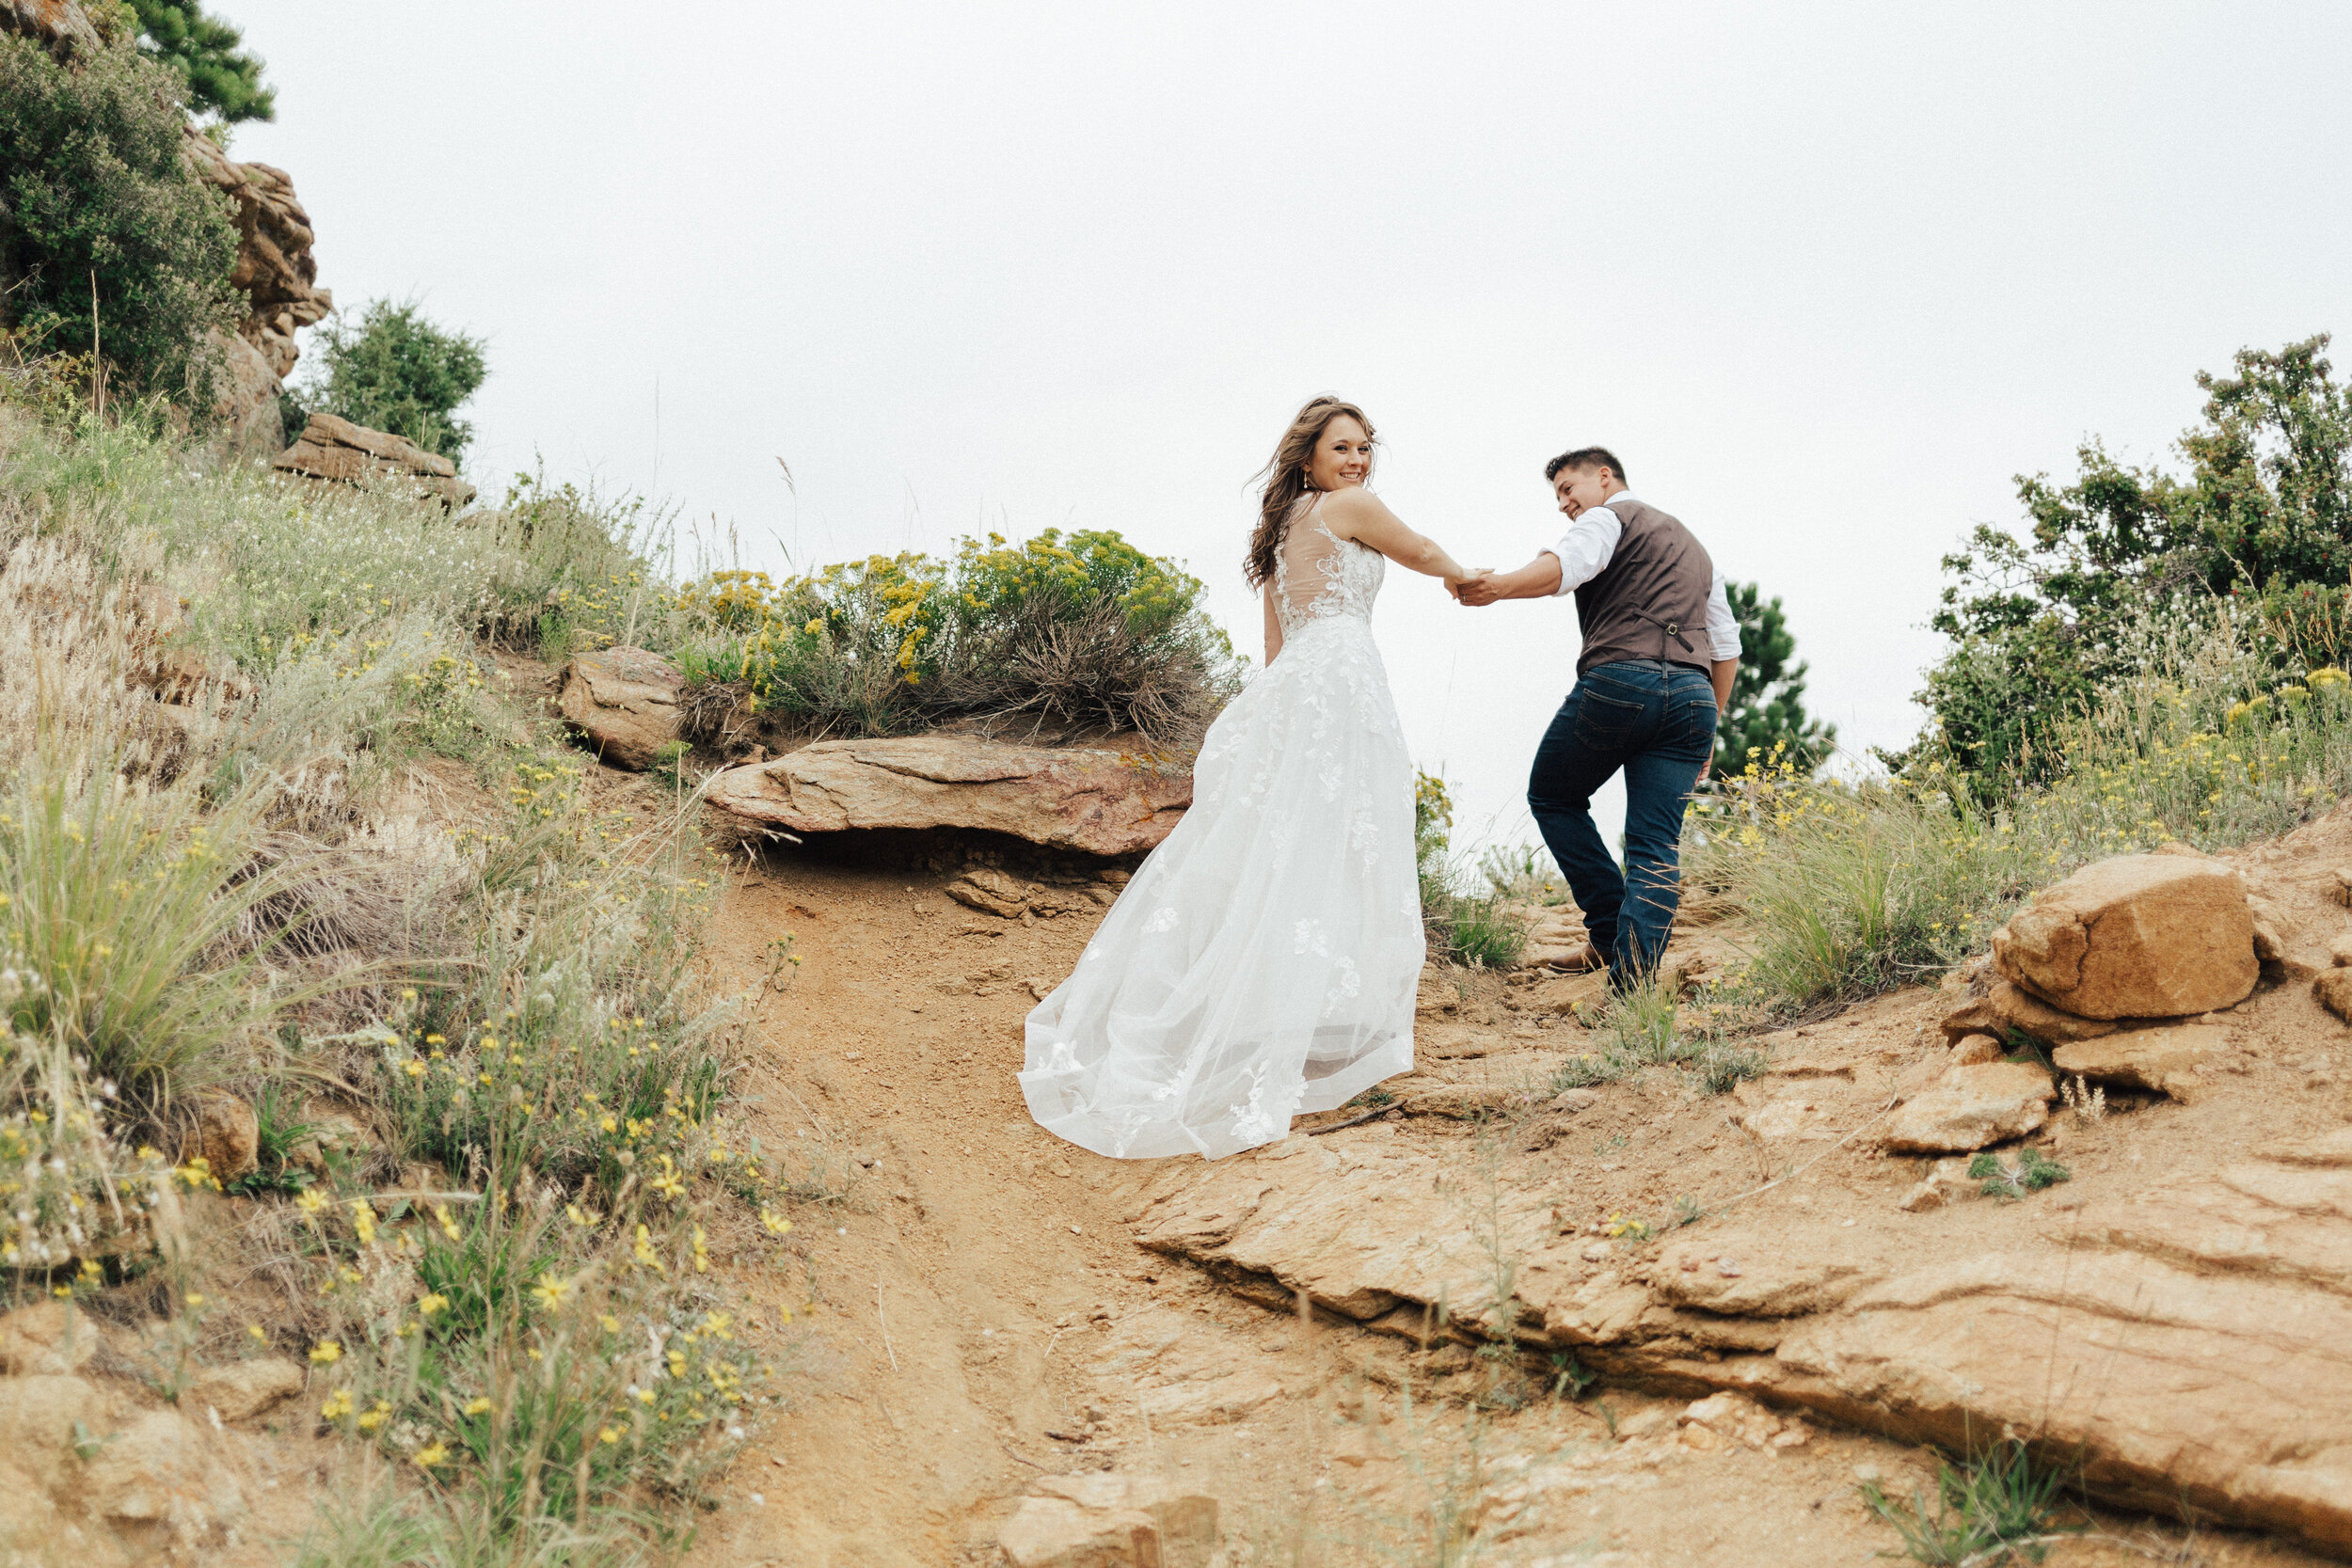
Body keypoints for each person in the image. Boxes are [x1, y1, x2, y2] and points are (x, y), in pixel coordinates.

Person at [1021, 396, 1470, 1160]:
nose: (1358, 461)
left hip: (1297, 686)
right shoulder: (1348, 507)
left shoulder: (1279, 532)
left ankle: (1268, 1014)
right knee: (1332, 845)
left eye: (1365, 449)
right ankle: (1302, 1019)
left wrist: (1278, 723)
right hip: (1339, 680)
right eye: (1343, 447)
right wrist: (1467, 577)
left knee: (1279, 849)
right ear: (1309, 457)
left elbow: (1273, 646)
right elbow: (1420, 547)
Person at [1454, 448, 1740, 990]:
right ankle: (1631, 987)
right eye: (1558, 496)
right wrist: (1709, 727)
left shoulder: (1607, 517)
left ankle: (1608, 934)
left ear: (1605, 477)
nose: (1565, 504)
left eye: (1569, 487)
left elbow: (1566, 567)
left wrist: (1498, 587)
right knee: (1656, 844)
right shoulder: (1700, 555)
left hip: (1620, 683)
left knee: (1553, 796)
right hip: (1693, 699)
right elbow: (1726, 648)